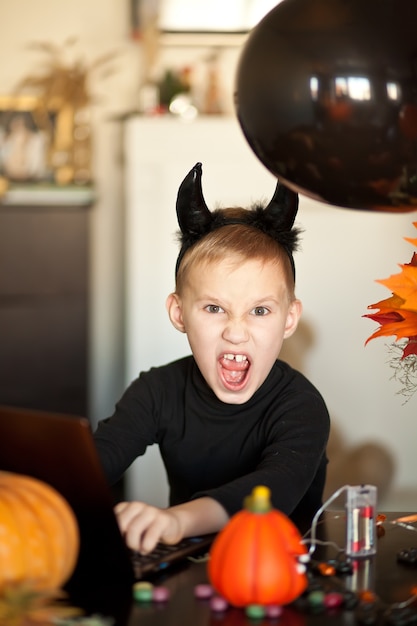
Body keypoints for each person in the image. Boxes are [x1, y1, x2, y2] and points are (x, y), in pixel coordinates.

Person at [93, 162, 330, 554]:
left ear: (289, 319)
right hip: (187, 572)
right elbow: (97, 462)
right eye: (214, 308)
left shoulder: (302, 407)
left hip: (286, 576)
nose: (236, 331)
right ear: (179, 314)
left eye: (259, 311)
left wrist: (176, 519)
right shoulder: (157, 392)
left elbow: (268, 493)